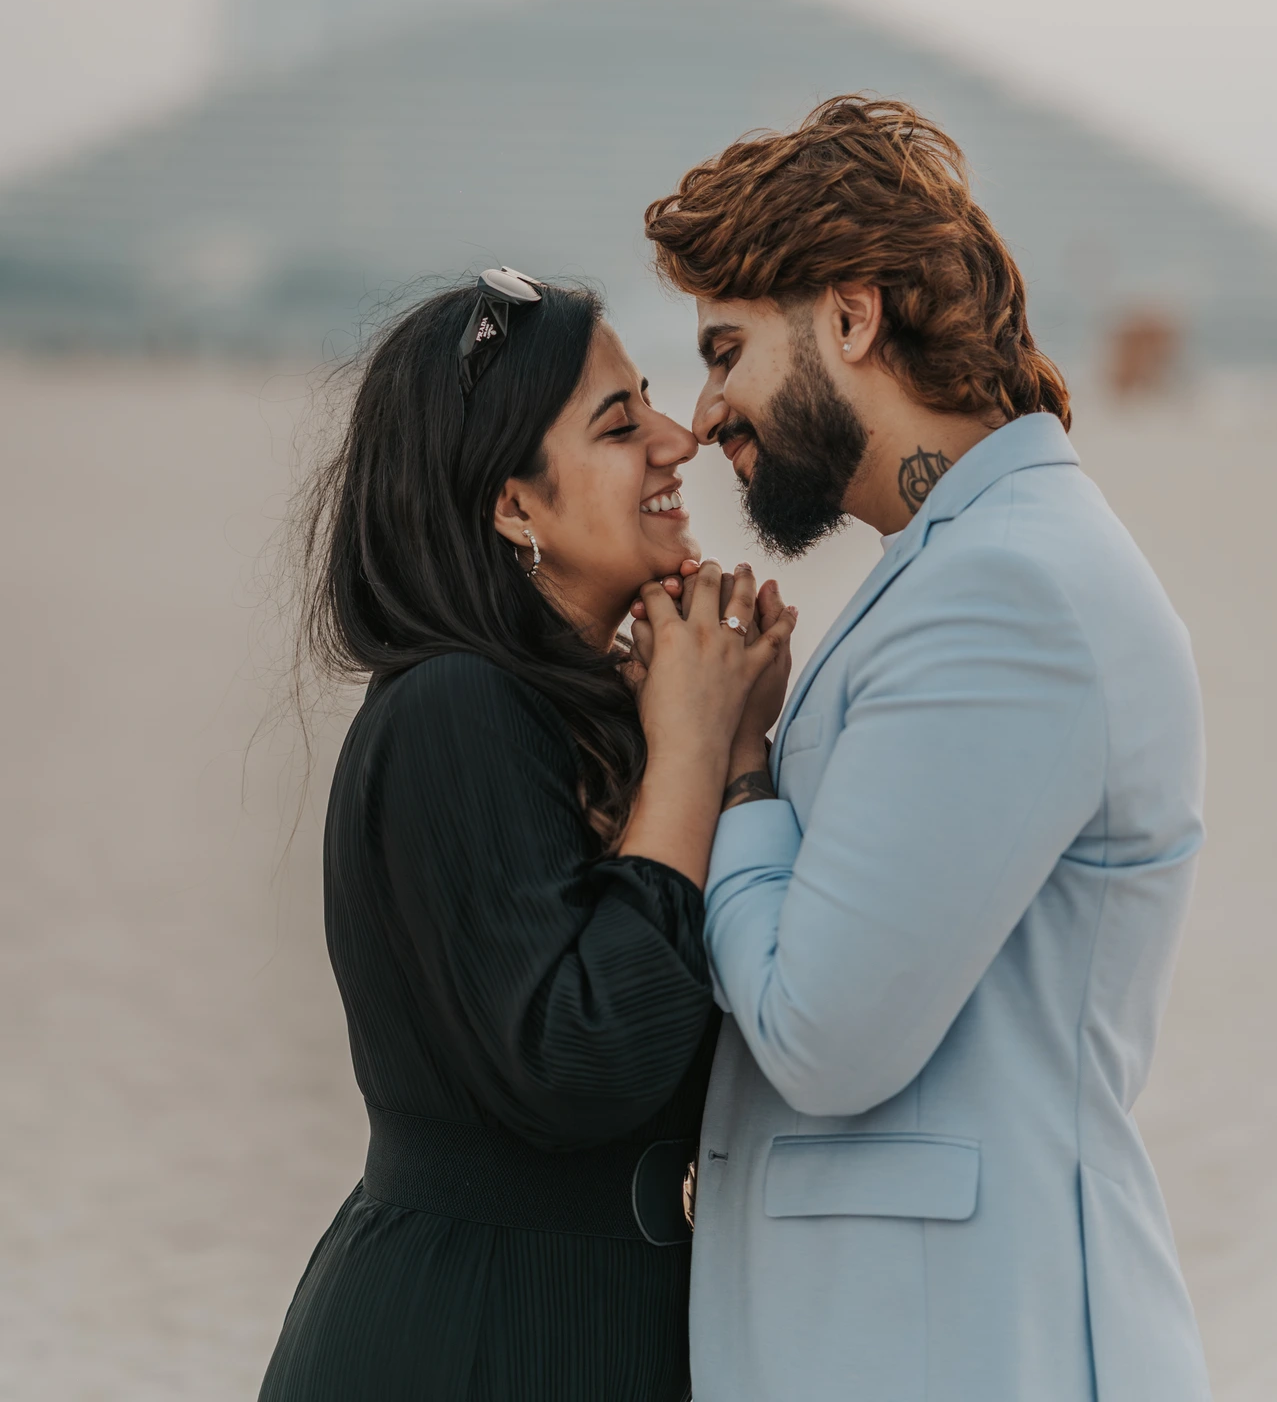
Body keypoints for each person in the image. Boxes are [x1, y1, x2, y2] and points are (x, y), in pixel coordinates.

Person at [641, 98, 1211, 1402]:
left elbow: (824, 1032)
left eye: (728, 349)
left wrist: (733, 771)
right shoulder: (967, 563)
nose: (707, 409)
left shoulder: (1011, 592)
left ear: (850, 316)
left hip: (971, 1346)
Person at [257, 269, 796, 1402]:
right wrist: (693, 753)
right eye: (618, 423)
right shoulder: (452, 709)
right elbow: (580, 1056)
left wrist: (729, 744)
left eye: (651, 397)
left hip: (600, 1321)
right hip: (473, 1339)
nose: (673, 441)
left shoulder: (599, 716)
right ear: (513, 507)